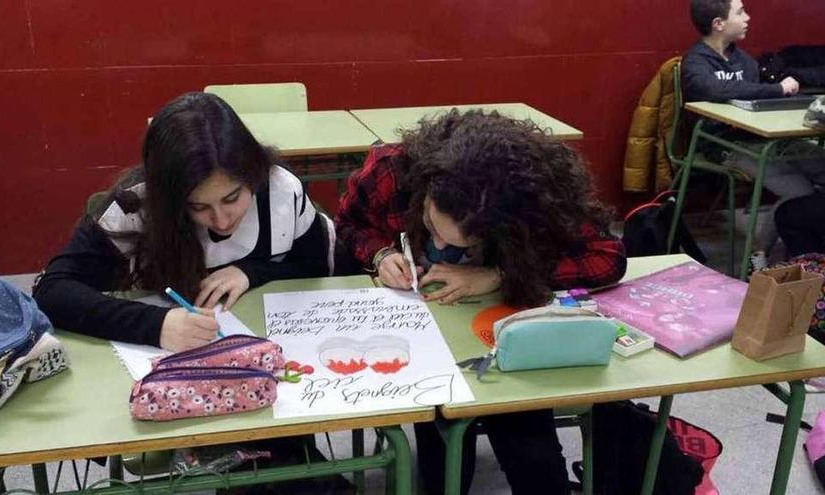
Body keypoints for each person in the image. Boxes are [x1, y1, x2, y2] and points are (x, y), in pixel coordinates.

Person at [334, 109, 627, 494]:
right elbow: (346, 225)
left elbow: (607, 256)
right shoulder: (392, 171)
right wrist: (380, 254)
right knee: (443, 455)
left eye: (462, 244)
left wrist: (499, 275)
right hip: (422, 336)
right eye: (431, 226)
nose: (437, 247)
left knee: (530, 448)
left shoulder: (535, 197)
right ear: (427, 188)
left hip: (498, 332)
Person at [33, 92, 330, 352]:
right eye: (198, 206)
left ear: (252, 172)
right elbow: (52, 292)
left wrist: (252, 271)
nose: (221, 220)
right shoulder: (136, 208)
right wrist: (156, 325)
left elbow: (316, 268)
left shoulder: (280, 190)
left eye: (232, 198)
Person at [681, 0, 825, 270]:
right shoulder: (696, 62)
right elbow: (713, 90)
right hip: (724, 145)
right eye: (740, 12)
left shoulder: (744, 61)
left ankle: (808, 248)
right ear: (718, 24)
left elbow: (754, 96)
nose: (748, 17)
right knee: (799, 191)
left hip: (764, 140)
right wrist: (778, 90)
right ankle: (759, 256)